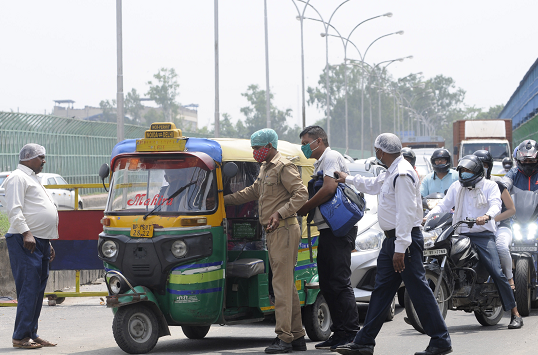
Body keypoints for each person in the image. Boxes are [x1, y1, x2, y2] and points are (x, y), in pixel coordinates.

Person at [334, 133, 452, 355]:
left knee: (418, 291)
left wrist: (400, 249)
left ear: (381, 151)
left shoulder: (403, 173)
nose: (376, 153)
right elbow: (373, 184)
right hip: (392, 241)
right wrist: (347, 178)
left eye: (376, 149)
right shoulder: (392, 171)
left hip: (402, 242)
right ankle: (364, 341)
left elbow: (406, 215)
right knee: (381, 292)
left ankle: (441, 340)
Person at [223, 129, 308, 354]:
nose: (254, 152)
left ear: (269, 146)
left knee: (280, 286)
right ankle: (297, 336)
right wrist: (222, 200)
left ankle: (284, 338)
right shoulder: (265, 168)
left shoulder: (283, 166)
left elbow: (301, 194)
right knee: (286, 285)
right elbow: (252, 192)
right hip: (275, 232)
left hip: (284, 230)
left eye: (257, 148)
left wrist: (280, 213)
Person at [426, 155, 523, 329]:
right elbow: (443, 206)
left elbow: (495, 205)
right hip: (459, 233)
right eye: (462, 170)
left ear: (478, 171)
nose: (464, 174)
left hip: (483, 235)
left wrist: (487, 216)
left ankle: (515, 313)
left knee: (496, 271)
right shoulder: (456, 187)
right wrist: (427, 217)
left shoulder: (490, 186)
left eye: (468, 170)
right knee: (438, 257)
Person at [296, 126, 360, 351]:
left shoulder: (330, 157)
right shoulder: (319, 162)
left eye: (306, 142)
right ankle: (339, 332)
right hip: (327, 230)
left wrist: (305, 207)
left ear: (319, 141)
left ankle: (351, 333)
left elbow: (330, 187)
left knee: (339, 282)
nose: (304, 146)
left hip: (338, 230)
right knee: (327, 282)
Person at [4, 144, 59, 349]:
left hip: (40, 241)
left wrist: (48, 242)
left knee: (38, 290)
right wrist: (26, 232)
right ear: (28, 158)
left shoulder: (32, 178)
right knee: (29, 288)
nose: (44, 161)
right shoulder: (18, 177)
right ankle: (20, 337)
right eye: (41, 157)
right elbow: (14, 208)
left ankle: (31, 333)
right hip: (25, 240)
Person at [474, 150, 516, 290]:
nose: (482, 167)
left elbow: (511, 210)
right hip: (477, 229)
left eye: (484, 164)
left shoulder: (498, 185)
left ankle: (509, 278)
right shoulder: (467, 186)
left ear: (489, 166)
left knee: (501, 247)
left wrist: (491, 219)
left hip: (500, 227)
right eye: (478, 165)